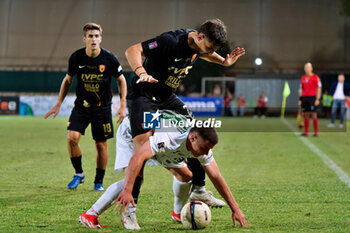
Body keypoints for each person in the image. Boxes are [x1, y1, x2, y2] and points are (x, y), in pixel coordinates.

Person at [123, 18, 246, 227]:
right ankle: (130, 210)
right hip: (145, 96)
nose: (209, 52)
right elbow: (132, 50)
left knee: (196, 134)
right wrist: (142, 73)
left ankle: (199, 190)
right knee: (142, 149)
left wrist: (223, 62)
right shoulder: (170, 41)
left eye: (213, 49)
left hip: (167, 98)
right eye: (208, 47)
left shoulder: (198, 44)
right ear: (199, 37)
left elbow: (206, 54)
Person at [78, 115, 247, 229]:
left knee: (186, 176)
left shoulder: (200, 144)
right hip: (134, 131)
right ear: (193, 138)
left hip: (158, 141)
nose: (205, 153)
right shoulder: (170, 137)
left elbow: (216, 176)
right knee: (135, 179)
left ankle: (178, 213)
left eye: (208, 150)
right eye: (203, 148)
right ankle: (91, 215)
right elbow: (138, 158)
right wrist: (128, 190)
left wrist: (236, 208)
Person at [44, 23, 127, 191]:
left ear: (101, 38)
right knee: (71, 138)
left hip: (102, 108)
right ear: (84, 39)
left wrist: (123, 104)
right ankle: (79, 174)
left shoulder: (109, 58)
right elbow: (68, 80)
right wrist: (59, 103)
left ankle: (98, 181)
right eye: (90, 36)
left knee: (100, 144)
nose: (94, 39)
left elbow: (121, 80)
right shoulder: (76, 58)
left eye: (96, 36)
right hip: (81, 106)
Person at [298, 62, 321, 136]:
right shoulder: (303, 78)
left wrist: (317, 99)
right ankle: (306, 132)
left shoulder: (316, 77)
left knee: (314, 114)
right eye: (305, 68)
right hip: (304, 98)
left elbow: (319, 88)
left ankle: (316, 132)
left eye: (308, 68)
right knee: (305, 114)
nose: (307, 69)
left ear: (311, 68)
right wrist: (300, 99)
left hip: (312, 98)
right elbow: (301, 89)